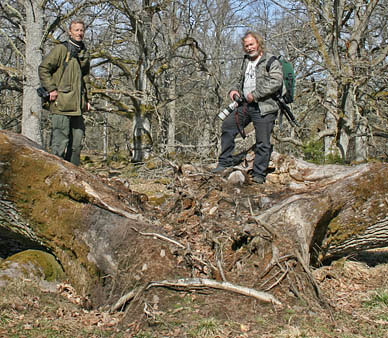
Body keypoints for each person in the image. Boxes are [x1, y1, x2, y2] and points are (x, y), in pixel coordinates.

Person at [213, 31, 283, 184]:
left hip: (265, 107)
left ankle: (259, 174)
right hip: (245, 106)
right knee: (228, 126)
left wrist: (256, 95)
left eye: (252, 44)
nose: (249, 48)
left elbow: (276, 82)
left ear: (258, 43)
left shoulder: (271, 61)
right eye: (246, 46)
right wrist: (233, 90)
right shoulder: (245, 61)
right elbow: (239, 80)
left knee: (262, 141)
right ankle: (224, 162)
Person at [39, 19, 91, 166]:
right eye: (76, 30)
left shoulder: (84, 52)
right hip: (61, 105)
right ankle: (54, 178)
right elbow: (43, 68)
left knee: (76, 147)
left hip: (78, 107)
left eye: (82, 30)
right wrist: (51, 89)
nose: (80, 33)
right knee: (59, 146)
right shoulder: (61, 49)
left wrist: (87, 100)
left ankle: (73, 179)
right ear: (70, 32)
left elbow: (86, 77)